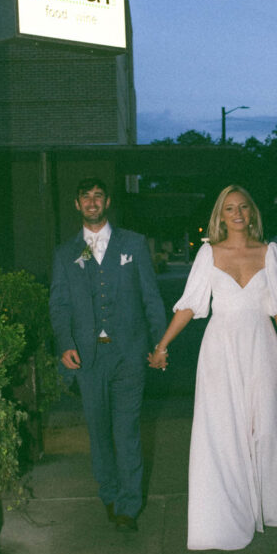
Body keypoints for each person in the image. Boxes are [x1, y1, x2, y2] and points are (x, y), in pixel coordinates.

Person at [148, 185, 277, 551]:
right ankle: (223, 517)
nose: (236, 214)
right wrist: (162, 344)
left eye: (243, 207)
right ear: (220, 216)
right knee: (222, 430)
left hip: (262, 347)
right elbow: (189, 305)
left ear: (252, 213)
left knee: (267, 427)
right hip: (220, 350)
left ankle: (269, 505)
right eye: (229, 208)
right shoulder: (208, 254)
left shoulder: (270, 253)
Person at [49, 178, 166, 532]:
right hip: (88, 357)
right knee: (99, 433)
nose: (92, 202)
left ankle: (128, 507)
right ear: (77, 204)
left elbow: (150, 298)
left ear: (108, 202)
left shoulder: (132, 244)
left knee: (127, 430)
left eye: (98, 196)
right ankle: (110, 494)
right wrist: (65, 343)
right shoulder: (67, 253)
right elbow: (59, 304)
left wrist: (160, 345)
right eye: (86, 196)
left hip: (129, 354)